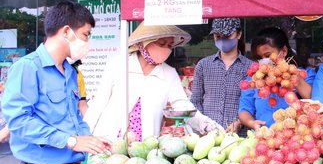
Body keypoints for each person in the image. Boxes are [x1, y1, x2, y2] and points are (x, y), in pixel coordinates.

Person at [1, 1, 112, 164]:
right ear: (66, 31)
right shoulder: (27, 68)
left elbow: (75, 121)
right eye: (85, 34)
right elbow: (19, 122)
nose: (87, 42)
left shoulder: (70, 74)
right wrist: (71, 141)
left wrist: (93, 142)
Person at [83, 22, 221, 141]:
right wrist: (84, 138)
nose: (166, 49)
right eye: (161, 44)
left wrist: (205, 123)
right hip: (108, 141)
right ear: (143, 44)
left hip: (145, 149)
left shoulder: (169, 73)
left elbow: (183, 106)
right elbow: (98, 105)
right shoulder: (118, 64)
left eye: (169, 45)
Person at [239, 27, 315, 130]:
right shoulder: (254, 80)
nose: (263, 61)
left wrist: (292, 76)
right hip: (264, 136)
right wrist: (251, 123)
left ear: (283, 51)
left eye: (267, 55)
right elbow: (244, 109)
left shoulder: (304, 73)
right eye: (259, 58)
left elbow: (315, 100)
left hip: (296, 139)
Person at [191, 18, 254, 133]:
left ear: (239, 34)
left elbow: (254, 104)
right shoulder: (203, 65)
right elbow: (195, 101)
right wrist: (202, 124)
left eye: (227, 36)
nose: (222, 40)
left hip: (239, 137)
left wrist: (241, 122)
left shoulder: (251, 68)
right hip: (206, 136)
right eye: (218, 37)